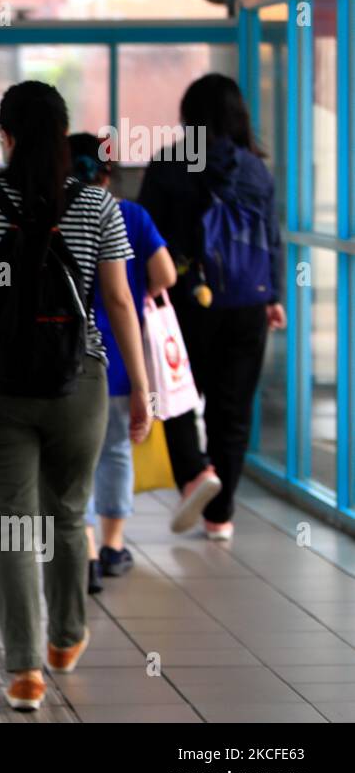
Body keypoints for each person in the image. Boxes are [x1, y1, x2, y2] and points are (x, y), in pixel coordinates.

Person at [0, 81, 150, 712]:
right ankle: (66, 636)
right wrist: (139, 387)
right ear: (62, 137)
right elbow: (118, 302)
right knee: (66, 513)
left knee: (7, 524)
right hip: (76, 382)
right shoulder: (97, 206)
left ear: (5, 136)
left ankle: (23, 672)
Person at [138, 74, 285, 541]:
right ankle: (220, 517)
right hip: (246, 301)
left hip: (183, 299)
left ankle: (196, 475)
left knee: (174, 394)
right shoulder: (256, 170)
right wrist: (275, 296)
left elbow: (146, 236)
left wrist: (145, 291)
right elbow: (272, 240)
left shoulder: (169, 165)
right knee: (232, 409)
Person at [69, 134, 176, 593]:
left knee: (76, 457)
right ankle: (114, 548)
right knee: (116, 449)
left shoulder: (56, 217)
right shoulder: (131, 215)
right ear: (109, 174)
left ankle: (87, 552)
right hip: (120, 353)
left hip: (69, 356)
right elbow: (166, 275)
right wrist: (139, 297)